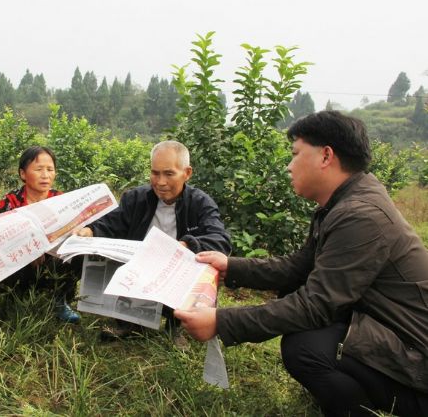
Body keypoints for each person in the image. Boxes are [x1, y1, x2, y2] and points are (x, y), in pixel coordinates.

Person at [175, 111, 428, 416]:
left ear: (326, 156)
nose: (289, 166)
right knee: (300, 316)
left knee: (305, 347)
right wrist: (230, 265)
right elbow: (297, 268)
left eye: (295, 154)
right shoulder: (344, 202)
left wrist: (221, 321)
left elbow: (316, 305)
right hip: (389, 330)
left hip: (417, 358)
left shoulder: (361, 215)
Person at [77, 140, 231, 341]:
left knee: (198, 265)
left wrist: (187, 245)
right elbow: (112, 223)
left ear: (187, 173)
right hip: (143, 268)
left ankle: (175, 326)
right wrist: (90, 230)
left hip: (175, 271)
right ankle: (129, 323)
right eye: (155, 173)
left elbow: (220, 240)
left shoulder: (200, 203)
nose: (160, 182)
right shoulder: (136, 198)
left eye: (169, 174)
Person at [0, 146, 82, 323]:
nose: (45, 175)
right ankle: (16, 298)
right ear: (23, 173)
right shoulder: (11, 201)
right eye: (39, 169)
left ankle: (59, 301)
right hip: (19, 262)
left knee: (78, 253)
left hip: (51, 261)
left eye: (50, 169)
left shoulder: (61, 200)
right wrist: (29, 249)